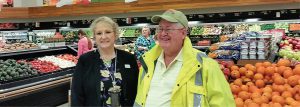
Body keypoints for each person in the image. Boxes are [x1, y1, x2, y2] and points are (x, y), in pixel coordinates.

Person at [134, 9, 235, 107]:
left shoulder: (206, 65)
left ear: (183, 33)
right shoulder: (147, 62)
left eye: (168, 29)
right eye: (160, 29)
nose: (163, 33)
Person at [71, 16, 139, 106]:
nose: (103, 36)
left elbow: (137, 90)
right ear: (94, 37)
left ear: (115, 34)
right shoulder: (85, 60)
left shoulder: (129, 58)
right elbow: (76, 95)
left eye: (108, 32)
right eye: (99, 33)